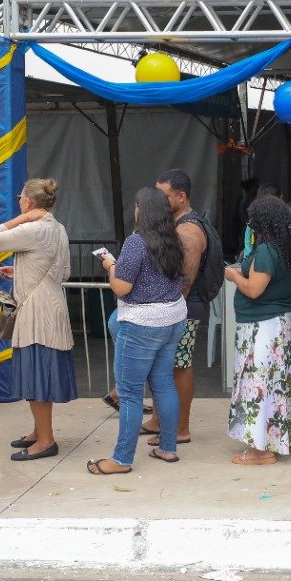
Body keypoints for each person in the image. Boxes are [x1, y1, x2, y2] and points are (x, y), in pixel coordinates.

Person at [89, 187, 188, 475]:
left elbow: (121, 287)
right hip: (172, 318)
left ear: (140, 210)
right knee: (164, 384)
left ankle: (121, 459)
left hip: (142, 325)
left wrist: (111, 265)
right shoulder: (174, 239)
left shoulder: (136, 242)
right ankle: (168, 447)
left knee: (130, 394)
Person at [0, 178, 75, 463]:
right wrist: (23, 269)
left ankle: (46, 439)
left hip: (37, 310)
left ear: (28, 201)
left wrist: (22, 218)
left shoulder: (32, 228)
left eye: (20, 198)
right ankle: (39, 432)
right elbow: (64, 272)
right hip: (52, 302)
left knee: (37, 376)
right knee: (40, 372)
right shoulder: (58, 228)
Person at [222, 196, 291, 465]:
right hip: (285, 322)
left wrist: (234, 276)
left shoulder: (267, 251)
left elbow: (254, 290)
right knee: (283, 383)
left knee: (258, 384)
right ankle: (283, 438)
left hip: (264, 327)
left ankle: (261, 450)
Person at [146, 169, 214, 447]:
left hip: (182, 308)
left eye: (163, 196)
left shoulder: (188, 231)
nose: (157, 201)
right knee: (165, 366)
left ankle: (180, 428)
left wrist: (167, 310)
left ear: (181, 196)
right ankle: (159, 421)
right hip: (175, 307)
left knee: (179, 366)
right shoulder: (177, 224)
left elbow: (185, 280)